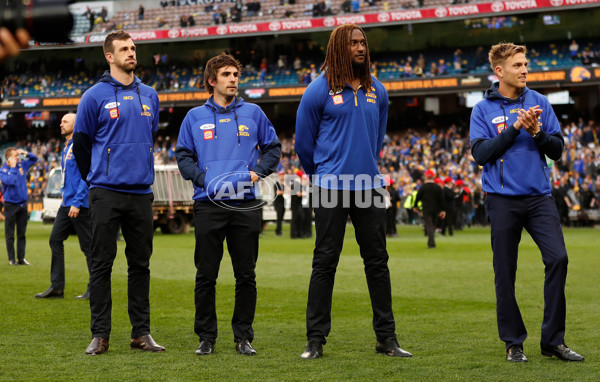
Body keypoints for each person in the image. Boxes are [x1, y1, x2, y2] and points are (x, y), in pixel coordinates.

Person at [295, 24, 412, 359]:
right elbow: (304, 144)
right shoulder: (317, 90)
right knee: (324, 263)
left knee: (377, 263)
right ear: (337, 49)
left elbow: (376, 139)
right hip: (330, 186)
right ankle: (315, 340)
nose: (360, 47)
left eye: (363, 42)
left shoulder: (379, 90)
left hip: (370, 188)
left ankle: (386, 339)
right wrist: (321, 176)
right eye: (353, 43)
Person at [470, 42, 585, 363]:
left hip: (538, 198)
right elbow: (480, 154)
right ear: (499, 71)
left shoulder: (541, 102)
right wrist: (514, 128)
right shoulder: (482, 110)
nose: (524, 70)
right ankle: (513, 342)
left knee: (558, 259)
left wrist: (536, 133)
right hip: (502, 201)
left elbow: (557, 150)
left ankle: (553, 341)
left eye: (525, 64)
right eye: (518, 65)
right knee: (505, 272)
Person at [175, 53, 281, 356]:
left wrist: (258, 172)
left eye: (236, 74)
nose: (233, 79)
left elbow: (273, 148)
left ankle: (243, 337)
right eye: (226, 74)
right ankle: (206, 337)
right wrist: (202, 179)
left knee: (245, 274)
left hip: (246, 204)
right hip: (208, 204)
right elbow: (183, 156)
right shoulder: (194, 116)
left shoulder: (254, 112)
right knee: (206, 274)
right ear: (212, 80)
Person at [73, 30, 164, 356]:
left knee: (140, 265)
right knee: (101, 265)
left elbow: (148, 136)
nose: (131, 53)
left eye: (133, 48)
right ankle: (101, 335)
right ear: (109, 56)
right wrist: (97, 180)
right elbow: (81, 145)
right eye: (124, 49)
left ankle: (141, 333)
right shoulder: (93, 96)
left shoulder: (150, 95)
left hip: (141, 193)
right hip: (105, 193)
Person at [35, 113, 92, 299]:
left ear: (76, 125)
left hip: (79, 205)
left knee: (88, 247)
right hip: (66, 203)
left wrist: (77, 202)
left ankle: (95, 287)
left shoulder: (79, 145)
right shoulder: (66, 146)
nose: (61, 124)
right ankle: (57, 287)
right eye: (61, 121)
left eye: (65, 122)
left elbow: (86, 176)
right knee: (55, 239)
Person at [1, 147, 38, 266]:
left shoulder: (22, 165)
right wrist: (12, 167)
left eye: (18, 155)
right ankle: (12, 259)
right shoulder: (3, 170)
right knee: (10, 234)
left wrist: (24, 152)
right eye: (15, 156)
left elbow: (35, 158)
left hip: (23, 204)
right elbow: (10, 181)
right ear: (9, 158)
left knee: (22, 233)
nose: (18, 157)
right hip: (10, 205)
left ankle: (21, 258)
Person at [413, 170, 445, 248]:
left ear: (426, 176)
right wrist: (443, 210)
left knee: (429, 225)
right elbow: (441, 199)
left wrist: (415, 206)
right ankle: (431, 242)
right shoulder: (437, 187)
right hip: (435, 209)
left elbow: (418, 197)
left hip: (426, 209)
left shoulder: (423, 187)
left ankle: (431, 243)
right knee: (432, 225)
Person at [273, 172, 285, 236]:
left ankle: (279, 230)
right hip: (278, 202)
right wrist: (284, 191)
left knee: (281, 217)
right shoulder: (276, 184)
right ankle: (278, 231)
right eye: (281, 175)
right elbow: (277, 193)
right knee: (279, 217)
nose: (282, 177)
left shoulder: (283, 184)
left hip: (283, 202)